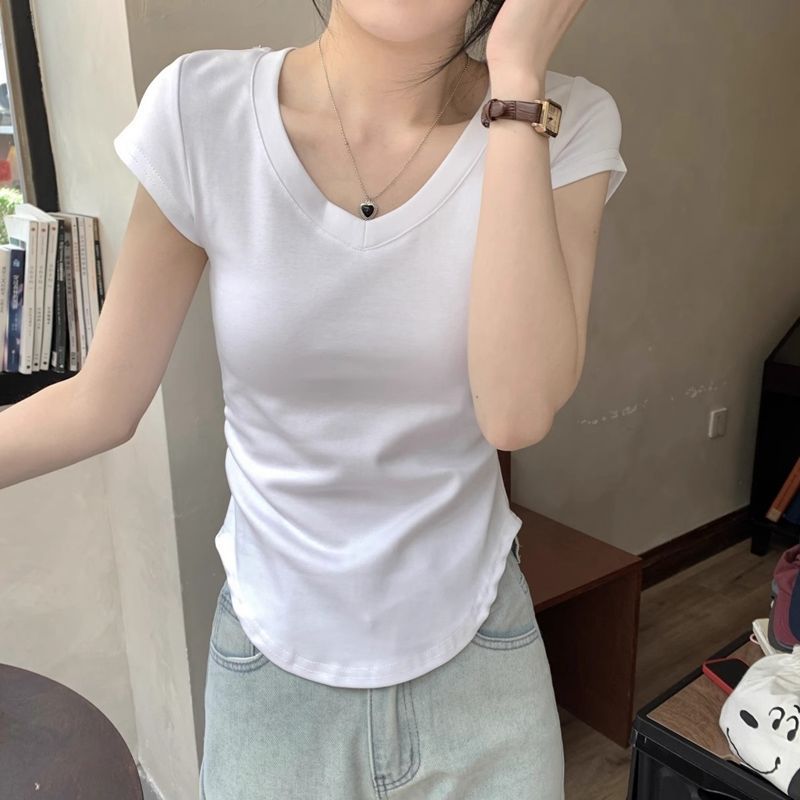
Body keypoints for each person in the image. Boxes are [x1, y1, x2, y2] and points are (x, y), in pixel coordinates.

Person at [0, 0, 627, 797]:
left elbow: (515, 411)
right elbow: (101, 402)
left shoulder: (560, 119)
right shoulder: (203, 110)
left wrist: (518, 84)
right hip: (273, 678)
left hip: (480, 664)